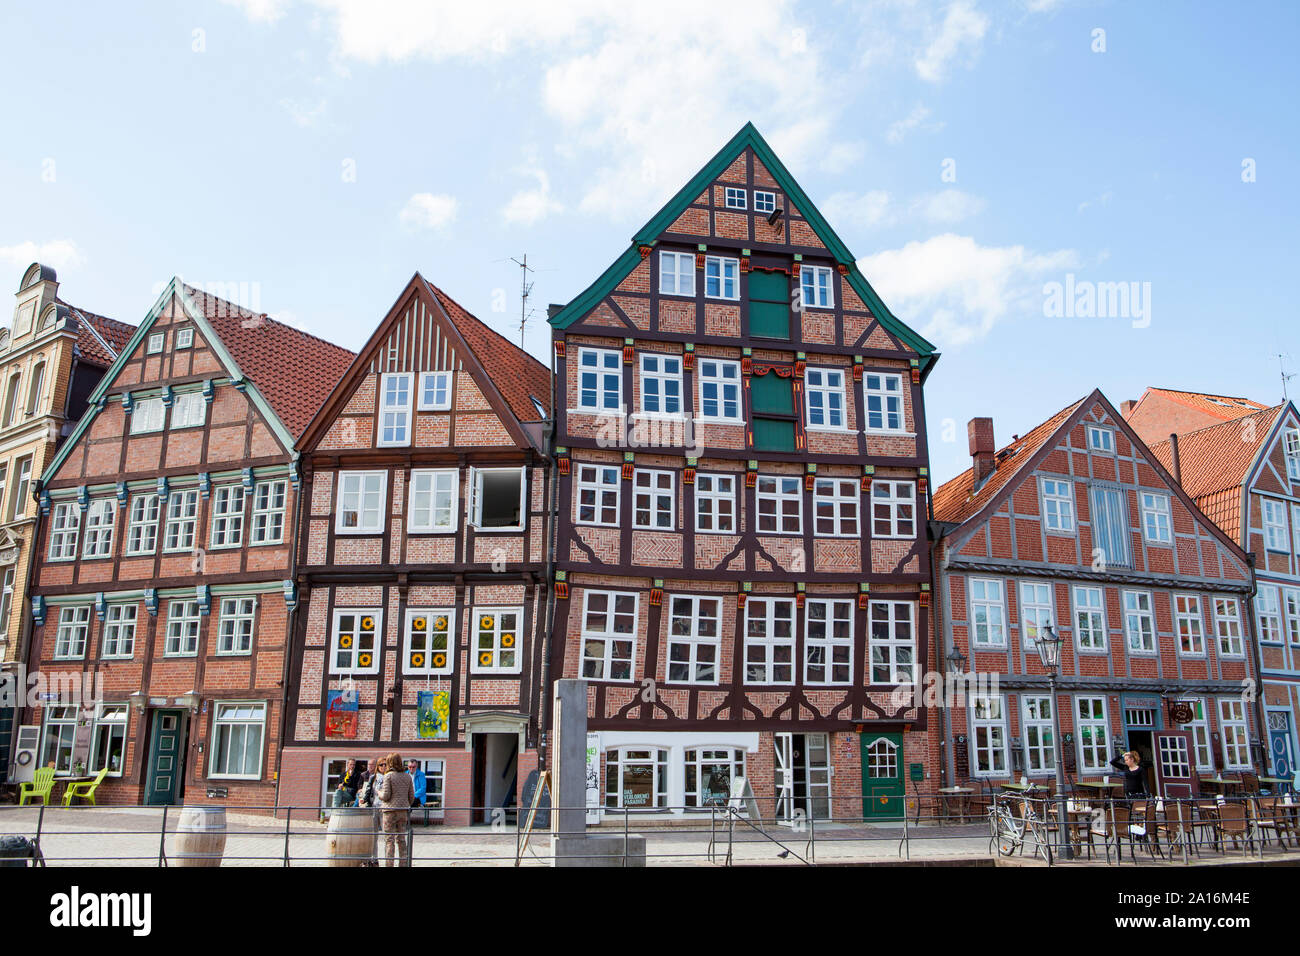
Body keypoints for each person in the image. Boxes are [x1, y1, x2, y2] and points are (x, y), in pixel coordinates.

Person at [376, 752, 415, 866]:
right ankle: (403, 864)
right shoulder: (407, 776)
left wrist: (379, 793)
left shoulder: (388, 776)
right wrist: (404, 803)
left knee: (389, 840)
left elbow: (386, 795)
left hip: (389, 812)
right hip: (403, 812)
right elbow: (411, 797)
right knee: (401, 839)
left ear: (389, 762)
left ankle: (389, 864)